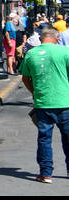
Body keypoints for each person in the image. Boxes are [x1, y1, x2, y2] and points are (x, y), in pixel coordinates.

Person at [18, 25, 69, 184]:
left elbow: (25, 77)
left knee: (44, 138)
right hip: (64, 101)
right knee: (67, 138)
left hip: (43, 102)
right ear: (57, 38)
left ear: (41, 39)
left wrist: (34, 92)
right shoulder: (65, 51)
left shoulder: (31, 54)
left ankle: (46, 173)